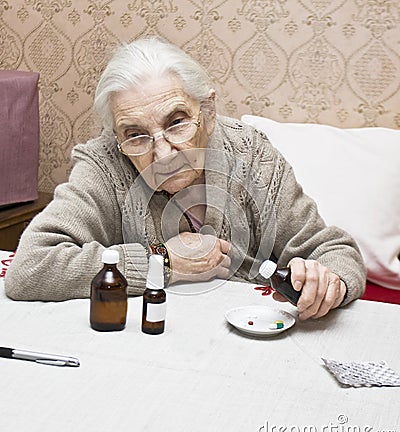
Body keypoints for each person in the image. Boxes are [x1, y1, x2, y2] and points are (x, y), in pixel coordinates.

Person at [5, 37, 366, 320]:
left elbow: (333, 251)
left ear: (207, 111)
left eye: (176, 122)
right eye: (135, 134)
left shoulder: (250, 152)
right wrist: (160, 261)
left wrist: (327, 281)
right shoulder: (104, 162)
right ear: (117, 136)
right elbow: (31, 268)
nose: (162, 154)